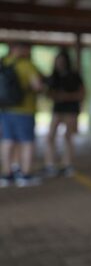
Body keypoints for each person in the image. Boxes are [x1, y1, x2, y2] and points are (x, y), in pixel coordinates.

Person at [0, 42, 44, 187]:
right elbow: (37, 86)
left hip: (5, 109)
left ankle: (7, 174)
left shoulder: (3, 63)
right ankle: (25, 174)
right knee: (27, 142)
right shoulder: (26, 65)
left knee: (7, 141)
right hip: (24, 110)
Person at [43, 49, 85, 177]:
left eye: (61, 61)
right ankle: (50, 164)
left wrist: (66, 96)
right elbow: (47, 93)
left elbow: (82, 93)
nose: (59, 63)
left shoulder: (74, 75)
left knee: (68, 136)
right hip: (58, 109)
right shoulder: (53, 76)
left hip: (71, 110)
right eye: (58, 61)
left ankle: (67, 164)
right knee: (50, 136)